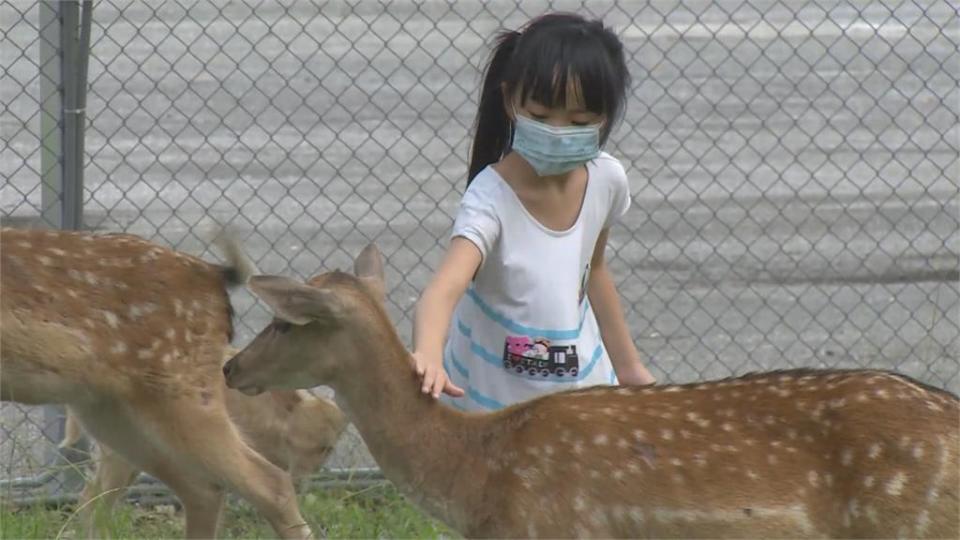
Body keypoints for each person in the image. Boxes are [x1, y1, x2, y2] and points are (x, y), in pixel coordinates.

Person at [412, 12, 656, 412]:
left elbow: (593, 271)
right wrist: (428, 354)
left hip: (580, 392)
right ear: (511, 100)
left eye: (579, 120)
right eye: (542, 117)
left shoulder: (606, 181)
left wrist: (629, 369)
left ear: (605, 117)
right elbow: (444, 290)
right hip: (495, 410)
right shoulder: (490, 198)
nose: (558, 131)